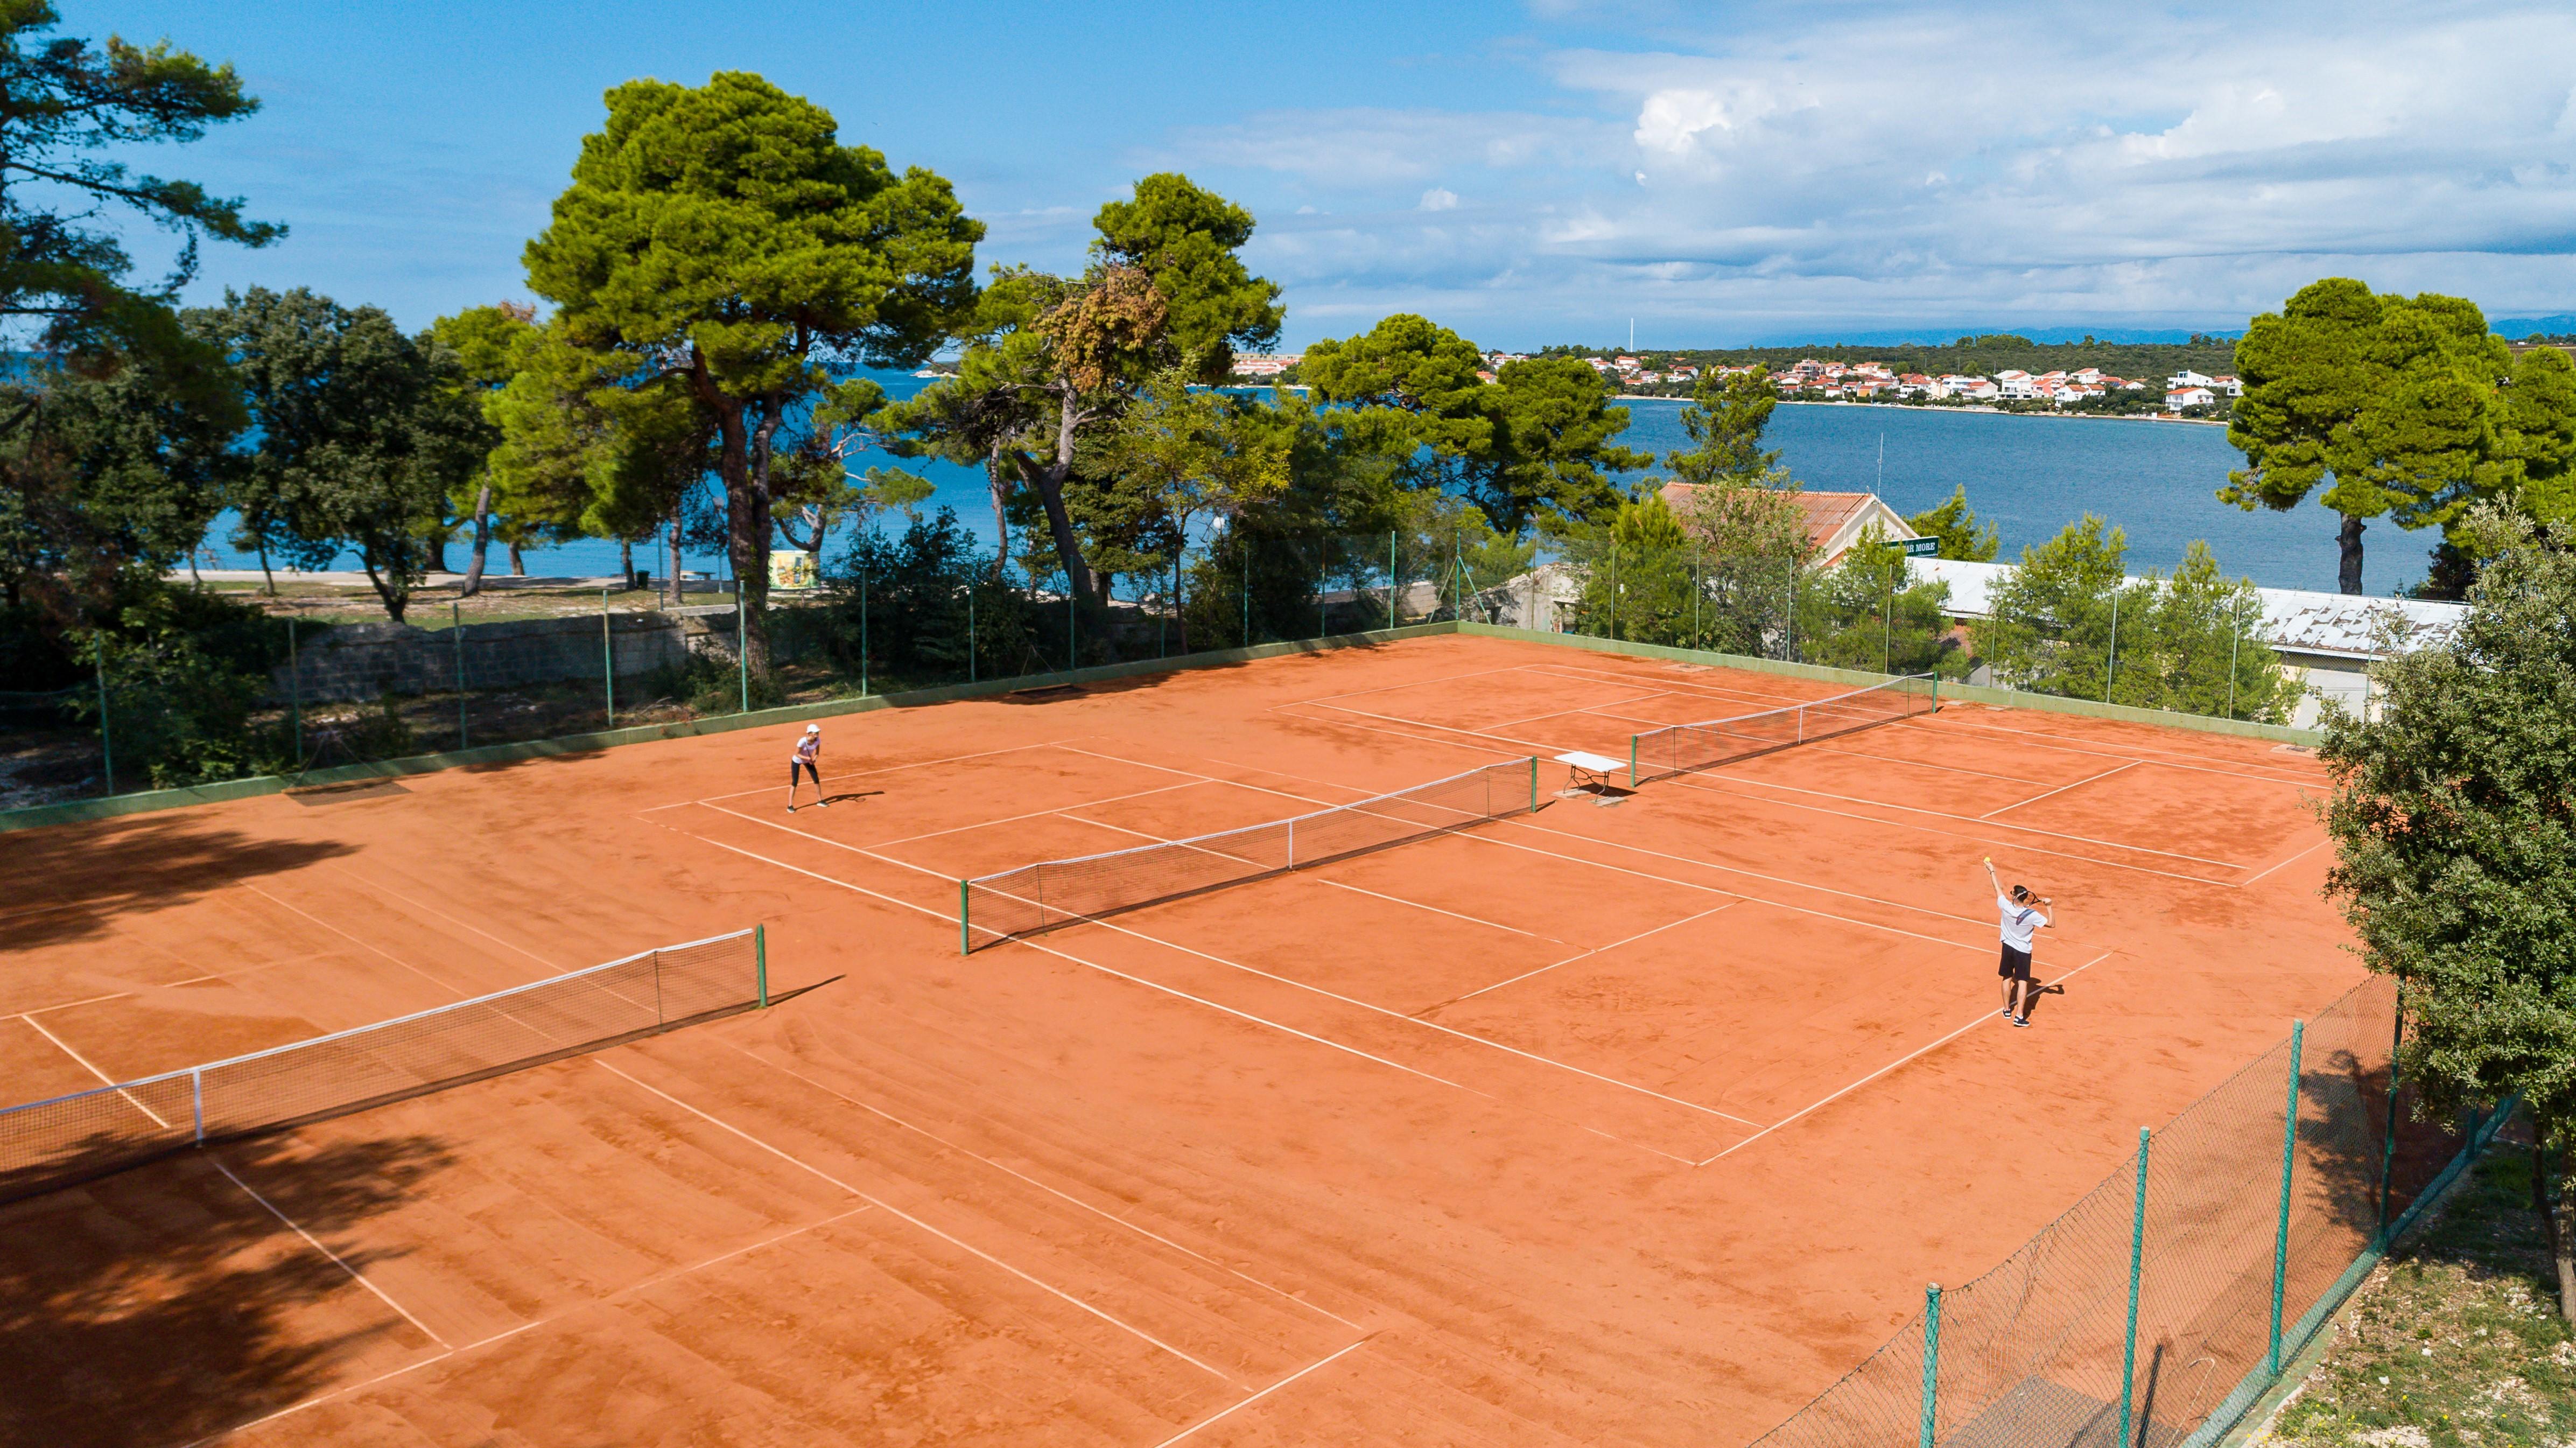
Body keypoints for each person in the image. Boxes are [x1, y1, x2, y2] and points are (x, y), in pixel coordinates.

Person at [1983, 856, 2050, 1026]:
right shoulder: (2033, 915)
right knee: (2022, 982)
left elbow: (1996, 888)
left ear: (2014, 896)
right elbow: (2051, 924)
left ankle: (2007, 1010)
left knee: (2007, 977)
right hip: (2023, 951)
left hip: (2007, 947)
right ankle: (2019, 1016)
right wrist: (2049, 906)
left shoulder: (2005, 906)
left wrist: (1992, 870)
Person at [787, 723, 826, 812]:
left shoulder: (817, 741)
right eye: (815, 732)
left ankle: (820, 800)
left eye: (817, 732)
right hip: (797, 761)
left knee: (816, 779)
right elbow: (797, 754)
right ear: (810, 733)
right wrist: (807, 758)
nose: (817, 734)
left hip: (808, 761)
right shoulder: (802, 741)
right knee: (795, 782)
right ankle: (790, 805)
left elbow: (817, 753)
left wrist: (814, 759)